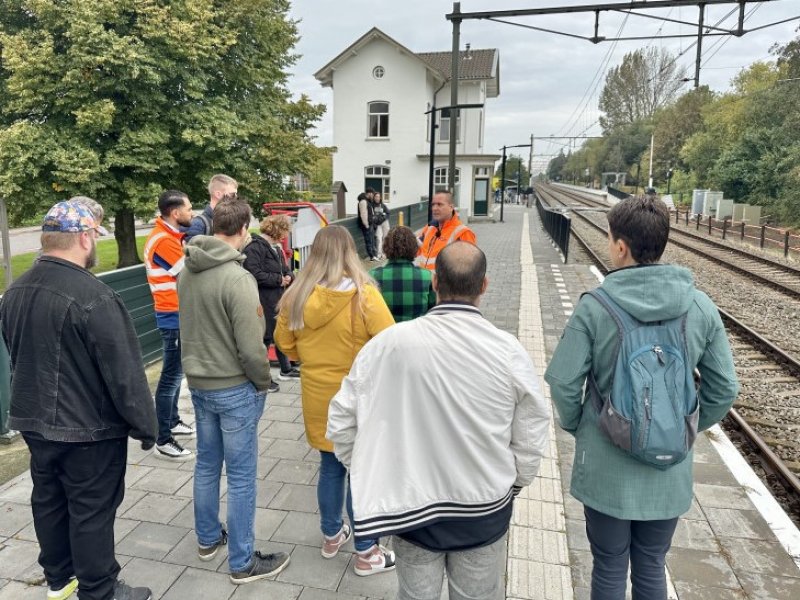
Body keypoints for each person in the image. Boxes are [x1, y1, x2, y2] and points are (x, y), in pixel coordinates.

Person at [328, 241, 550, 599]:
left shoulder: (388, 346)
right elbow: (531, 429)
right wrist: (514, 483)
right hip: (484, 509)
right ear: (484, 286)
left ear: (434, 282)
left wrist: (374, 468)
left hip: (412, 510)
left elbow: (341, 422)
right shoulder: (509, 352)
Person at [544, 196, 739, 600]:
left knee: (609, 565)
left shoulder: (595, 307)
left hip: (606, 468)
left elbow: (563, 381)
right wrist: (682, 426)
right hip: (668, 472)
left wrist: (581, 423)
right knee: (651, 564)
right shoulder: (700, 306)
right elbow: (724, 390)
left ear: (620, 246)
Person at [1, 200, 156, 600]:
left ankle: (60, 578)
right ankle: (100, 590)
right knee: (91, 509)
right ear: (85, 237)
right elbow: (125, 373)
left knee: (49, 500)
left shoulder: (15, 290)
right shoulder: (95, 296)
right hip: (88, 429)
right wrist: (147, 425)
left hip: (33, 420)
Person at [178, 197, 291, 584]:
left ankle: (208, 539)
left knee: (207, 463)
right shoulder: (237, 279)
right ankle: (242, 561)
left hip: (200, 383)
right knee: (242, 475)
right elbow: (252, 346)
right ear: (243, 230)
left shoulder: (187, 271)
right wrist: (263, 382)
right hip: (234, 387)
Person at [274, 225, 396, 576]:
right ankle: (366, 551)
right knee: (360, 473)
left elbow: (285, 343)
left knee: (329, 467)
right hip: (357, 397)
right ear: (348, 253)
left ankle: (331, 535)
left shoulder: (296, 295)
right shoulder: (364, 296)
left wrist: (308, 358)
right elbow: (388, 342)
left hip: (316, 394)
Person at [143, 190, 196, 462]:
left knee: (176, 372)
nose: (192, 213)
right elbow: (189, 273)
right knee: (171, 376)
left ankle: (173, 420)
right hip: (173, 316)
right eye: (188, 209)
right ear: (175, 213)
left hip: (176, 315)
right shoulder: (164, 241)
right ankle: (163, 439)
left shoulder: (167, 237)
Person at [242, 214, 299, 390]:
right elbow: (252, 272)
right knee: (265, 339)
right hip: (263, 300)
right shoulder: (254, 248)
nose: (285, 236)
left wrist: (289, 276)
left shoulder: (275, 248)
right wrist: (278, 279)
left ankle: (285, 369)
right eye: (284, 232)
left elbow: (286, 269)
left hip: (277, 299)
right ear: (276, 230)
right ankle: (263, 378)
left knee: (280, 332)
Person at [370, 226, 435, 322]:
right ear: (414, 248)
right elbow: (433, 311)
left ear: (386, 247)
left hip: (384, 334)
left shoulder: (372, 276)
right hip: (416, 333)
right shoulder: (427, 277)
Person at [415, 191, 476, 270]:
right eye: (433, 204)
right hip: (425, 281)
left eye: (439, 204)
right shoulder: (429, 228)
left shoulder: (463, 233)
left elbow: (468, 268)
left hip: (445, 282)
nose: (434, 208)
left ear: (451, 207)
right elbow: (417, 252)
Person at [182, 173, 238, 241]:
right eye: (232, 194)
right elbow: (189, 251)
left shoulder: (230, 221)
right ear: (218, 194)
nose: (236, 197)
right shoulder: (198, 225)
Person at [357, 187, 377, 260]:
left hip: (370, 224)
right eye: (373, 194)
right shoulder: (363, 201)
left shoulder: (367, 201)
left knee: (371, 240)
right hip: (367, 225)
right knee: (368, 241)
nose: (373, 196)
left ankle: (373, 256)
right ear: (369, 193)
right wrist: (367, 225)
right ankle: (371, 257)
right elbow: (363, 214)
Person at [371, 192, 390, 259]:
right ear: (374, 197)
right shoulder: (372, 205)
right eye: (376, 196)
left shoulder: (383, 205)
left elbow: (388, 213)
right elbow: (372, 216)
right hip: (378, 224)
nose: (377, 198)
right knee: (379, 238)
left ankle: (385, 253)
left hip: (384, 222)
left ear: (380, 197)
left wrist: (384, 218)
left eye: (378, 197)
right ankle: (379, 254)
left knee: (386, 237)